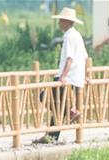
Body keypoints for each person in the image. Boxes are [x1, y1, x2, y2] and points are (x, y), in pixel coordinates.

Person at [34, 7, 88, 144]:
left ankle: (70, 111)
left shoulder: (69, 36)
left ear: (66, 22)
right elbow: (85, 57)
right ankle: (52, 136)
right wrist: (85, 75)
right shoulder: (77, 35)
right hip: (75, 77)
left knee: (44, 96)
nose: (59, 23)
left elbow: (69, 58)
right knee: (58, 106)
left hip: (67, 77)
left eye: (61, 21)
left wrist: (63, 76)